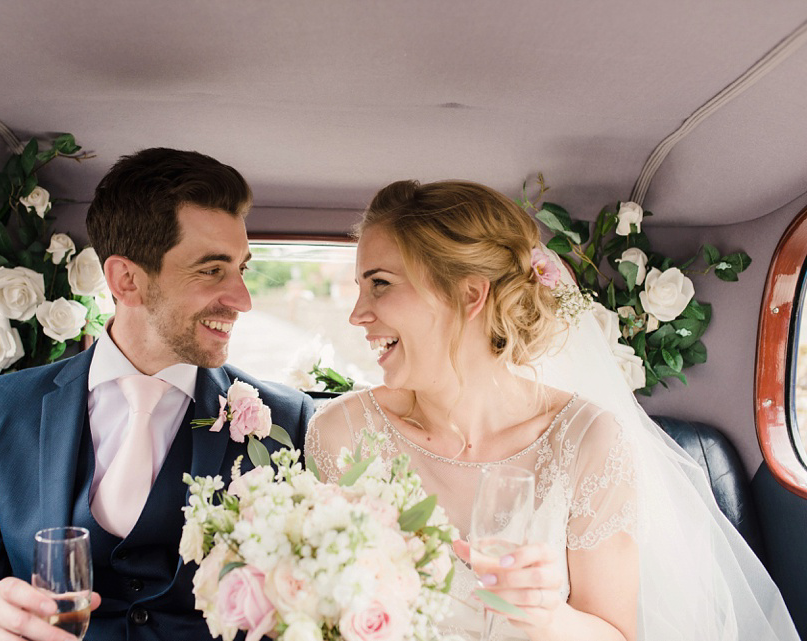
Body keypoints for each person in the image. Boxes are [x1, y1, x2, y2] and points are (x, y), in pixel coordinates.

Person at [305, 179, 799, 640]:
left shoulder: (586, 441)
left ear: (469, 293)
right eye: (359, 287)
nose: (357, 314)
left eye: (381, 284)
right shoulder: (341, 436)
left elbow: (615, 634)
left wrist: (548, 615)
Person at [0, 148, 315, 641]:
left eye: (242, 269)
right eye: (212, 270)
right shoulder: (0, 409)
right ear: (127, 280)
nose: (243, 300)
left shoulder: (288, 421)